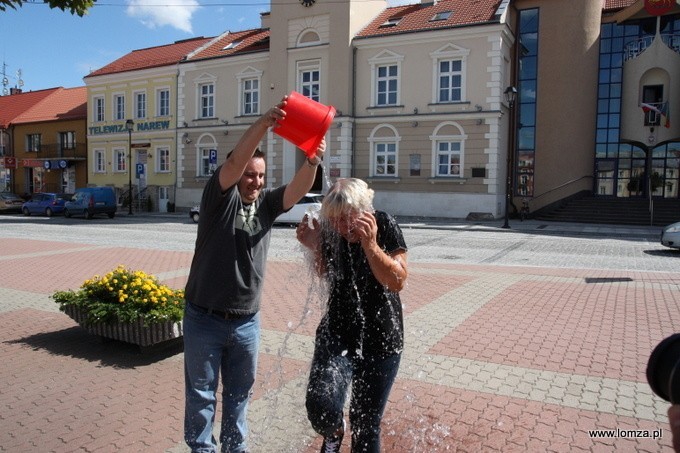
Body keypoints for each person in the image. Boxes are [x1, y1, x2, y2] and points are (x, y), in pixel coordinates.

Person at [183, 96, 325, 453]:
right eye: (250, 174)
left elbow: (296, 190)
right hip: (204, 316)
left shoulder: (266, 204)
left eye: (261, 176)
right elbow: (232, 163)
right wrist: (264, 123)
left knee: (238, 396)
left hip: (247, 322)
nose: (255, 181)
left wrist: (312, 160)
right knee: (202, 396)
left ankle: (235, 450)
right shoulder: (220, 197)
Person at [296, 178, 408, 453]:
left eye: (348, 218)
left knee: (366, 423)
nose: (342, 227)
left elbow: (397, 280)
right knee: (321, 404)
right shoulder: (332, 231)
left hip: (382, 339)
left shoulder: (385, 224)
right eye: (334, 220)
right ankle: (334, 432)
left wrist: (370, 245)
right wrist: (315, 246)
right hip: (337, 331)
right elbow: (327, 273)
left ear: (365, 209)